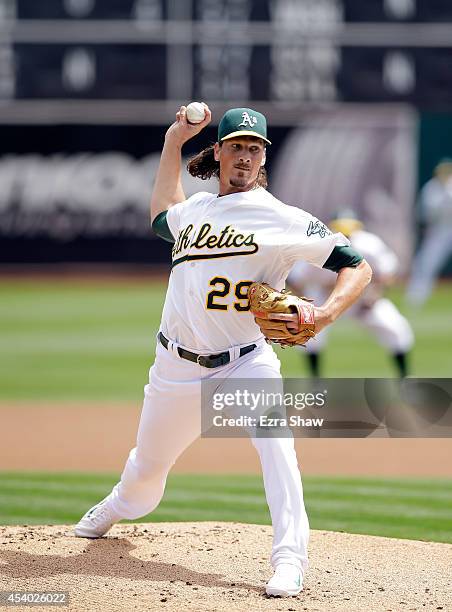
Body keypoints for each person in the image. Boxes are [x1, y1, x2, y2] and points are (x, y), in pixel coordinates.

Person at [74, 105, 372, 597]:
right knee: (146, 478)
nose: (245, 156)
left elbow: (356, 266)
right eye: (236, 146)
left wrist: (324, 314)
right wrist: (174, 140)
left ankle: (290, 559)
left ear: (263, 159)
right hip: (175, 366)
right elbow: (160, 216)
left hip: (245, 361)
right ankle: (119, 501)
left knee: (278, 450)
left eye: (255, 149)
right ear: (218, 152)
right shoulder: (195, 211)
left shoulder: (283, 219)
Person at [288, 211, 413, 378]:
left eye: (350, 230)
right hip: (324, 297)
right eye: (341, 230)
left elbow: (388, 273)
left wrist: (375, 294)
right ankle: (316, 383)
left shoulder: (369, 244)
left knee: (396, 328)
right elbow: (295, 279)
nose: (346, 235)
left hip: (361, 296)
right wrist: (304, 304)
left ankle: (405, 379)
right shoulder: (318, 246)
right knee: (307, 334)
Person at [406, 158, 452, 306]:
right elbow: (426, 213)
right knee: (425, 264)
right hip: (440, 230)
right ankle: (416, 297)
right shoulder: (431, 188)